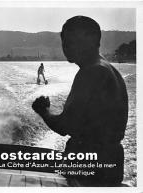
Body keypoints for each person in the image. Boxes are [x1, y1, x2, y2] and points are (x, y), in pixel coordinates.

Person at [32, 16, 128, 186]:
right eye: (64, 41)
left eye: (73, 40)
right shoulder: (106, 67)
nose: (66, 46)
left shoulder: (91, 72)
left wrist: (43, 111)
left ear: (94, 40)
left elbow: (65, 126)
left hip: (91, 169)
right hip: (108, 162)